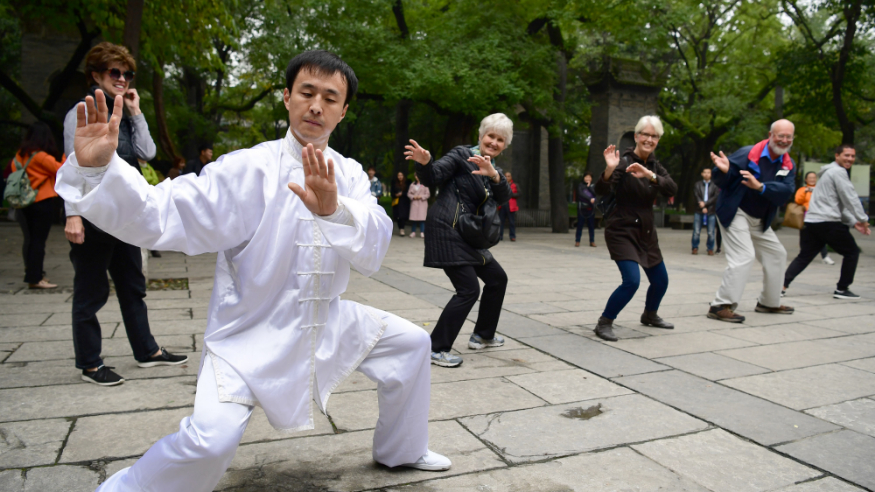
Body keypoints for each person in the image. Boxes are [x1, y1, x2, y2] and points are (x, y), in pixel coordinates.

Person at [57, 50, 451, 492]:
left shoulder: (350, 175)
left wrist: (334, 209)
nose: (316, 106)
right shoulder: (247, 169)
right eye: (306, 93)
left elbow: (374, 243)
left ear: (342, 111)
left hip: (326, 321)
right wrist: (99, 170)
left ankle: (402, 449)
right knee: (211, 442)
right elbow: (163, 211)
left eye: (329, 98)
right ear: (286, 97)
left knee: (411, 343)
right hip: (247, 331)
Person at [62, 41, 187, 386]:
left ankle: (147, 351)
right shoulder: (83, 111)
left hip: (125, 215)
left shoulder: (125, 113)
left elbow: (147, 152)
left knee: (133, 285)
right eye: (114, 72)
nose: (122, 79)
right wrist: (72, 214)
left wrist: (135, 112)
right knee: (91, 291)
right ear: (95, 75)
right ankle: (90, 363)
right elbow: (70, 165)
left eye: (127, 74)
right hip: (94, 215)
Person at [405, 113, 512, 367]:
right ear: (481, 136)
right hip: (447, 229)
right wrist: (425, 163)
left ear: (505, 145)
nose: (494, 142)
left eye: (500, 139)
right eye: (490, 136)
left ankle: (483, 335)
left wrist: (494, 175)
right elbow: (433, 176)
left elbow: (504, 196)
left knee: (497, 278)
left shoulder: (494, 169)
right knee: (468, 289)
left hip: (469, 234)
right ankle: (435, 348)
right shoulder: (461, 155)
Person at [593, 116, 677, 342]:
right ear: (637, 136)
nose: (649, 139)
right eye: (646, 134)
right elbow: (601, 189)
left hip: (646, 232)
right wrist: (609, 169)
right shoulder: (624, 162)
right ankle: (604, 322)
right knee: (631, 281)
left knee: (661, 281)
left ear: (658, 140)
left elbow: (671, 188)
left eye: (654, 136)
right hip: (622, 229)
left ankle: (650, 314)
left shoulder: (655, 166)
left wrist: (649, 175)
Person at [707, 119, 797, 323]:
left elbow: (786, 191)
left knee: (777, 254)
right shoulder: (748, 153)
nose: (784, 140)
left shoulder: (788, 164)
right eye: (780, 136)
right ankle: (720, 305)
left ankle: (769, 302)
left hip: (760, 218)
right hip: (736, 211)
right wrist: (724, 171)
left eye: (788, 137)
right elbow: (724, 177)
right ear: (770, 135)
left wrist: (761, 187)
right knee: (744, 256)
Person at [783, 144, 870, 299]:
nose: (850, 159)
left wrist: (853, 222)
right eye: (846, 155)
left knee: (804, 256)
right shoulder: (838, 172)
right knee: (852, 252)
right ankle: (842, 289)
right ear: (837, 156)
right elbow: (850, 198)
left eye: (852, 156)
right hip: (828, 222)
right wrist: (863, 219)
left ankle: (780, 287)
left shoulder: (827, 173)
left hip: (812, 222)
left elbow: (836, 203)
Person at [10, 122, 65, 289]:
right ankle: (35, 278)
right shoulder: (40, 156)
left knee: (29, 239)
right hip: (41, 201)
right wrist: (66, 156)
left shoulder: (19, 156)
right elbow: (62, 170)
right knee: (38, 241)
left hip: (23, 202)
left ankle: (32, 272)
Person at [793, 172, 835, 265]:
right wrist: (805, 191)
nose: (812, 179)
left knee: (821, 237)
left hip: (818, 216)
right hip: (805, 216)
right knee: (804, 237)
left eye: (814, 178)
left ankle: (825, 256)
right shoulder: (802, 190)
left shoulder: (820, 189)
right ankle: (803, 255)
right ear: (806, 179)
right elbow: (798, 200)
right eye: (810, 178)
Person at [692, 168, 719, 255]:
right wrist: (702, 206)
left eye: (708, 173)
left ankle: (710, 248)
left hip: (711, 210)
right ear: (702, 174)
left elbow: (715, 197)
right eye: (705, 172)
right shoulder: (698, 184)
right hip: (699, 210)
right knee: (696, 231)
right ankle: (695, 247)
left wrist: (706, 204)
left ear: (711, 174)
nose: (707, 174)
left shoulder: (715, 185)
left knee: (711, 232)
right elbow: (696, 195)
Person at [575, 172, 597, 247]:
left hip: (590, 208)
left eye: (589, 177)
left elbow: (595, 194)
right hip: (582, 208)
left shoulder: (593, 186)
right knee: (580, 225)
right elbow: (581, 194)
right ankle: (577, 241)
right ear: (584, 178)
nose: (587, 179)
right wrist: (589, 199)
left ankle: (592, 241)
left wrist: (589, 187)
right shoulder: (580, 185)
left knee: (591, 225)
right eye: (586, 177)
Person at [407, 172, 429, 237]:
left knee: (422, 218)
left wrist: (421, 196)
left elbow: (427, 194)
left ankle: (422, 232)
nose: (417, 177)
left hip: (422, 203)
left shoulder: (425, 184)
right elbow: (409, 193)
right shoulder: (412, 185)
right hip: (414, 203)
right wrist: (413, 197)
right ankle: (413, 232)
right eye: (416, 176)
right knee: (414, 218)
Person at [500, 171, 518, 242]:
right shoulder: (501, 184)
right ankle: (500, 236)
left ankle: (512, 236)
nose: (507, 177)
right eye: (506, 176)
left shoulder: (514, 185)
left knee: (511, 222)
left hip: (511, 205)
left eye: (508, 176)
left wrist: (510, 194)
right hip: (502, 205)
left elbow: (519, 194)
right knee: (501, 221)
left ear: (511, 177)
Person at [391, 171, 411, 236]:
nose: (400, 177)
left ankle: (402, 229)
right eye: (399, 175)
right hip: (396, 202)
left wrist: (402, 194)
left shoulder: (407, 183)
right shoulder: (394, 183)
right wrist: (395, 195)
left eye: (401, 175)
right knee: (398, 216)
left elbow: (409, 192)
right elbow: (392, 193)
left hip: (404, 202)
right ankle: (400, 228)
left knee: (403, 216)